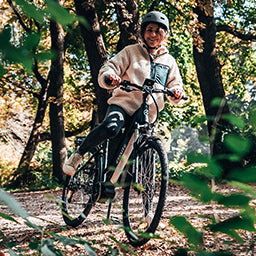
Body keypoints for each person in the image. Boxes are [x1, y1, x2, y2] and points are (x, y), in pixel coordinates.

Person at [63, 11, 185, 197]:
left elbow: (175, 85)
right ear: (143, 32)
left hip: (148, 111)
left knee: (130, 150)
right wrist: (110, 77)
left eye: (158, 31)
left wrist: (177, 92)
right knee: (112, 127)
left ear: (165, 34)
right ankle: (79, 154)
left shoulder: (169, 61)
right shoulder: (131, 51)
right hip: (124, 104)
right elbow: (109, 67)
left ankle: (109, 184)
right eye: (149, 30)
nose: (153, 34)